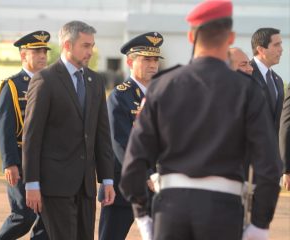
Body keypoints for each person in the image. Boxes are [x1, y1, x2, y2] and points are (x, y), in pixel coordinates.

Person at [119, 1, 282, 240]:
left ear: (190, 36)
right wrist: (260, 223)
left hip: (170, 210)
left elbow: (134, 163)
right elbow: (269, 165)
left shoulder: (162, 87)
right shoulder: (247, 91)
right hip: (223, 211)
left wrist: (143, 216)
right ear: (230, 38)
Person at [23, 20, 115, 240]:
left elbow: (101, 134)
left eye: (91, 46)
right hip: (55, 185)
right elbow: (32, 137)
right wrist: (32, 183)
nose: (90, 51)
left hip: (85, 186)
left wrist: (107, 179)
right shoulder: (45, 80)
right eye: (85, 45)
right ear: (66, 45)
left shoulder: (95, 81)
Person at [98, 32, 164, 240]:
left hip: (157, 185)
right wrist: (146, 176)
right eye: (146, 59)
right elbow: (121, 144)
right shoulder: (120, 96)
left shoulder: (162, 94)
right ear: (129, 61)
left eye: (155, 60)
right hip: (124, 187)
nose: (153, 65)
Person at [0, 31, 50, 240]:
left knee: (48, 216)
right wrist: (10, 163)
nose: (43, 55)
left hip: (47, 160)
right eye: (37, 51)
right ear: (23, 55)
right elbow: (5, 127)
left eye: (44, 51)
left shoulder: (51, 83)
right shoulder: (12, 86)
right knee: (23, 215)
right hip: (21, 161)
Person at [250, 28, 283, 133]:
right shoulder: (245, 74)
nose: (281, 49)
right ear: (261, 49)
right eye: (276, 45)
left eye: (280, 44)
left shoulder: (278, 80)